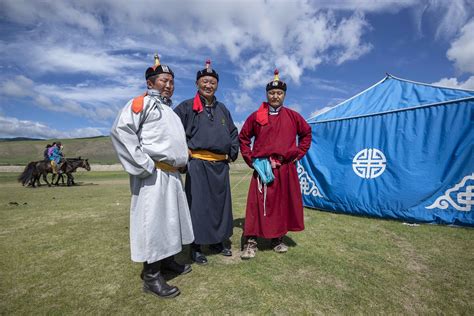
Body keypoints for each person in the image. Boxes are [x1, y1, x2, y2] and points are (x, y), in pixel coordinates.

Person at [110, 54, 194, 298]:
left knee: (170, 221)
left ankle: (168, 262)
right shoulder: (141, 104)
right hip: (153, 174)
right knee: (154, 223)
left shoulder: (170, 111)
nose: (168, 85)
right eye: (163, 81)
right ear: (150, 83)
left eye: (171, 81)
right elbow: (121, 131)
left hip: (171, 175)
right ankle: (151, 277)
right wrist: (143, 164)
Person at [239, 69, 312, 260]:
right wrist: (251, 159)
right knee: (256, 206)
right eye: (272, 93)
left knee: (281, 205)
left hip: (285, 168)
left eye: (279, 93)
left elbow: (306, 134)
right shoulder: (256, 116)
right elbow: (244, 138)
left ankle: (277, 239)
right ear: (267, 95)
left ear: (284, 95)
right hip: (262, 168)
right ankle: (251, 242)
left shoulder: (293, 116)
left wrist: (298, 154)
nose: (275, 96)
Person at [174, 60, 239, 264]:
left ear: (217, 85)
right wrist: (184, 155)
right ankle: (196, 247)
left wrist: (232, 150)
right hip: (198, 165)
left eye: (212, 82)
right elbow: (174, 132)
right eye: (204, 81)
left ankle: (218, 241)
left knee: (220, 206)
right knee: (198, 207)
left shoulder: (223, 109)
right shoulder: (185, 107)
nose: (208, 85)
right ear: (197, 84)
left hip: (220, 166)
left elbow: (233, 132)